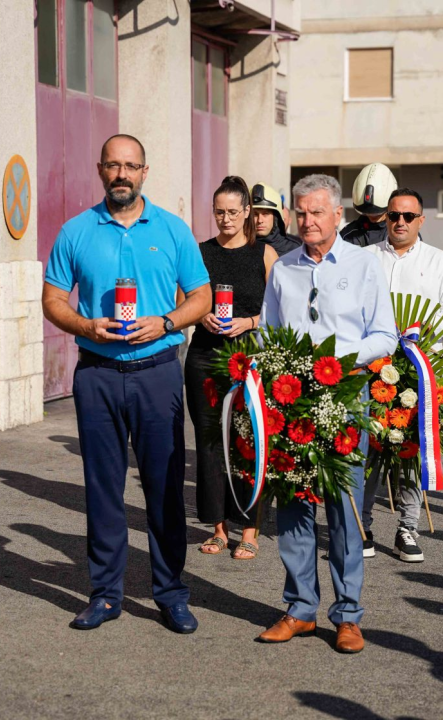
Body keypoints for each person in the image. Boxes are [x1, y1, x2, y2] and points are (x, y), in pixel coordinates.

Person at [41, 134, 211, 634]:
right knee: (103, 489)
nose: (122, 174)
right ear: (100, 170)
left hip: (156, 372)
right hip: (96, 373)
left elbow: (201, 296)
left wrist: (166, 322)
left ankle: (171, 593)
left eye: (130, 166)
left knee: (163, 489)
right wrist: (85, 325)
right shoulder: (75, 231)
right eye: (113, 166)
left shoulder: (173, 231)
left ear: (145, 171)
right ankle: (106, 594)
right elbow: (53, 300)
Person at [256, 174, 397, 654]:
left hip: (344, 398)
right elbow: (269, 333)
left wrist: (340, 359)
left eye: (317, 212)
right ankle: (299, 609)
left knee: (343, 509)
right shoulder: (284, 269)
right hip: (292, 402)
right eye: (301, 212)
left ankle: (348, 615)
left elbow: (385, 335)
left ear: (339, 215)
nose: (308, 220)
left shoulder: (363, 265)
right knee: (294, 504)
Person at [362, 188, 443, 563]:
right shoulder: (365, 258)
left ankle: (407, 527)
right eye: (394, 215)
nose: (400, 222)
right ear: (384, 218)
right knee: (368, 449)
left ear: (422, 220)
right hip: (372, 367)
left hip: (420, 369)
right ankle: (362, 526)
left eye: (408, 216)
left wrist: (422, 329)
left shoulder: (440, 262)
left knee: (409, 450)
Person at [185, 176, 278, 560]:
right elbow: (183, 300)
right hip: (205, 355)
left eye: (233, 212)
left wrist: (251, 322)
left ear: (247, 213)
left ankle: (251, 529)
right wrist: (201, 315)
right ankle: (219, 527)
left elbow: (279, 310)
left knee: (249, 442)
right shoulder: (200, 252)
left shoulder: (266, 255)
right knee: (209, 443)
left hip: (250, 357)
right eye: (219, 212)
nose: (225, 219)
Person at [340, 163, 398, 248]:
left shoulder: (401, 233)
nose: (371, 216)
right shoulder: (348, 235)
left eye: (377, 213)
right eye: (367, 212)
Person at [251, 182, 302, 256]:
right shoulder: (240, 247)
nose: (260, 220)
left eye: (265, 214)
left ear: (276, 217)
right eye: (255, 214)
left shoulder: (295, 249)